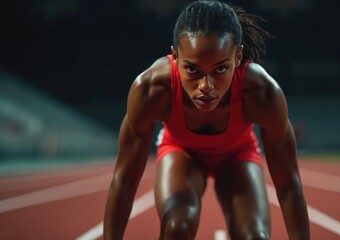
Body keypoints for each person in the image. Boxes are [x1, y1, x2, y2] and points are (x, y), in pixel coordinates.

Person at [103, 0, 310, 239]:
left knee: (255, 236)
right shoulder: (152, 90)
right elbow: (125, 180)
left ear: (238, 56)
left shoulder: (262, 94)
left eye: (221, 69)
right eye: (193, 70)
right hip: (181, 153)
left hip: (237, 155)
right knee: (176, 227)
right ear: (175, 58)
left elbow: (288, 186)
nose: (206, 86)